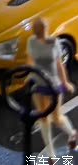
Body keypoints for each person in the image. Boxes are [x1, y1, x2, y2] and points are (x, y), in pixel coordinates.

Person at [26, 17, 77, 156]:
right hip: (38, 83)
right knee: (43, 116)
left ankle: (72, 133)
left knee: (56, 117)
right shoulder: (31, 42)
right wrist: (30, 74)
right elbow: (30, 61)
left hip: (53, 84)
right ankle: (50, 153)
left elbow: (59, 65)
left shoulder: (54, 43)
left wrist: (65, 82)